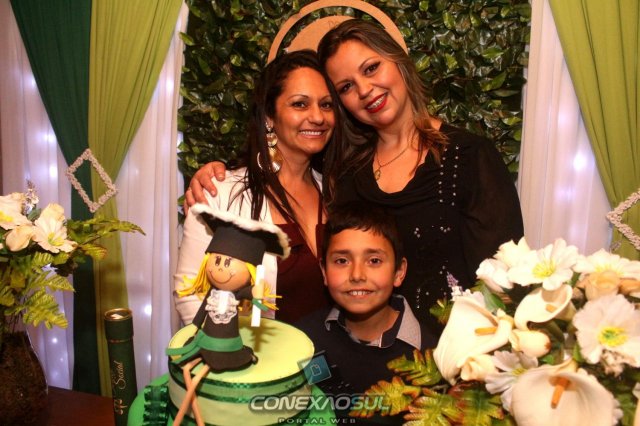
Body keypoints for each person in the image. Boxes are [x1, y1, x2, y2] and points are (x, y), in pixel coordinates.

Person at [186, 19, 524, 333]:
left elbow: (504, 283)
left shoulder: (468, 157)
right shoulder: (346, 172)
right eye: (346, 86)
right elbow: (278, 170)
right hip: (356, 360)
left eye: (371, 68)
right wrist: (217, 173)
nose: (365, 90)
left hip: (454, 356)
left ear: (398, 62)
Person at [174, 50, 339, 325]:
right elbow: (190, 295)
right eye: (300, 104)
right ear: (269, 117)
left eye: (326, 105)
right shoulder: (221, 194)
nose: (318, 117)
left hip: (334, 352)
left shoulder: (336, 193)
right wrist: (234, 349)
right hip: (255, 352)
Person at [295, 202, 436, 424]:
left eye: (374, 261)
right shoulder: (303, 340)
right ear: (324, 271)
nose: (357, 275)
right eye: (342, 261)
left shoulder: (432, 358)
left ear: (399, 272)